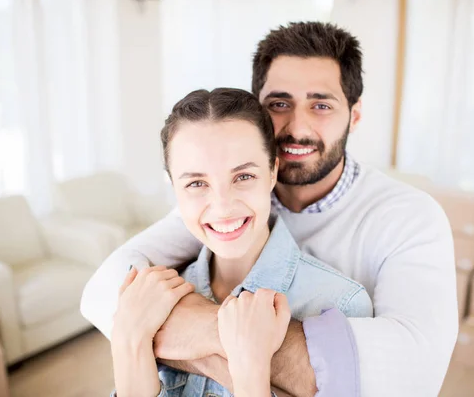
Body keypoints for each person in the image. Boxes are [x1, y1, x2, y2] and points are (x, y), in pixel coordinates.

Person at [82, 22, 458, 396]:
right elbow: (102, 291)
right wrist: (229, 341)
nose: (297, 127)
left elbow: (413, 375)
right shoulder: (226, 203)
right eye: (279, 104)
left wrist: (175, 332)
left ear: (354, 116)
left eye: (321, 105)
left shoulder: (409, 217)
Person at [110, 88, 373, 396]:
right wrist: (128, 342)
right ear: (173, 186)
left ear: (272, 172)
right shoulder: (154, 299)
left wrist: (251, 372)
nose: (223, 206)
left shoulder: (339, 305)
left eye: (244, 177)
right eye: (196, 183)